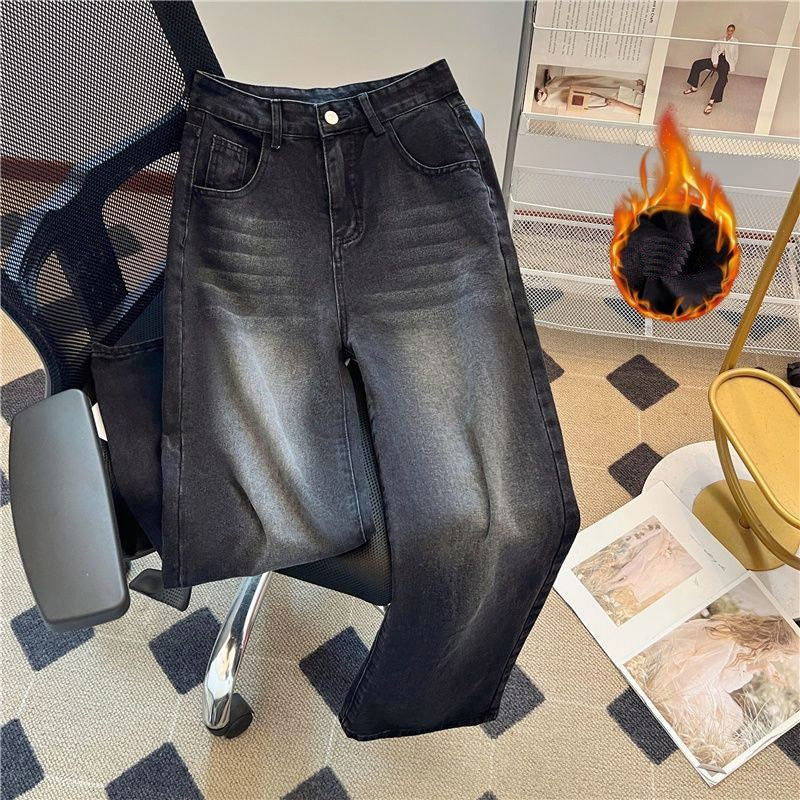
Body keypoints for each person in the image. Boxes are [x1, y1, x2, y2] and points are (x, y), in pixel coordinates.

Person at [684, 24, 739, 115]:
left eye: (731, 30)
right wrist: (715, 61)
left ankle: (711, 102)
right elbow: (714, 50)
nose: (729, 32)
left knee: (723, 79)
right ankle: (694, 87)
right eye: (728, 30)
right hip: (716, 59)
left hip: (726, 62)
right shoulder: (721, 40)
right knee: (697, 63)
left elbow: (735, 55)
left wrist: (730, 66)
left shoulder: (736, 42)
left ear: (734, 31)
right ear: (726, 30)